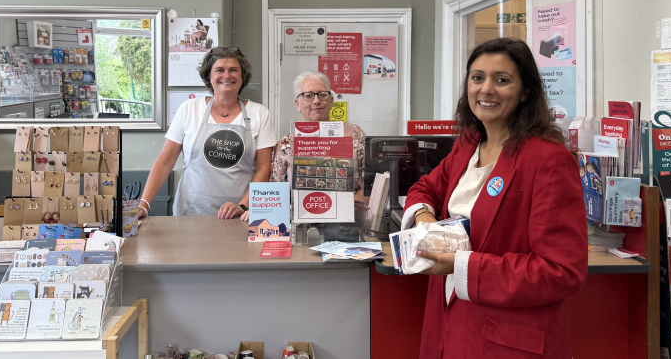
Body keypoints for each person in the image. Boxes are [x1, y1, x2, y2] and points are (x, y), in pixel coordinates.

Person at [402, 38, 587, 359]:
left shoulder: (548, 159)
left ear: (525, 91)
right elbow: (425, 189)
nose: (486, 89)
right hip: (448, 325)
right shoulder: (468, 144)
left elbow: (562, 272)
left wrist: (462, 265)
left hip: (506, 342)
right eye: (477, 78)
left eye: (502, 80)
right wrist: (425, 218)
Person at [139, 47, 277, 219]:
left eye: (234, 70)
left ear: (243, 76)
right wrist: (143, 204)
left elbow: (264, 168)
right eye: (219, 70)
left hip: (239, 215)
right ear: (209, 76)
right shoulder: (189, 109)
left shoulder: (259, 113)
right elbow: (165, 162)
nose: (227, 75)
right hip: (191, 213)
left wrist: (243, 206)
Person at [241, 71, 366, 222]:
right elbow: (276, 192)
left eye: (322, 95)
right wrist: (260, 210)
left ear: (331, 101)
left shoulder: (354, 134)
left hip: (347, 221)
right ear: (298, 104)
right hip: (300, 224)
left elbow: (370, 187)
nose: (316, 101)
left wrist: (339, 208)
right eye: (308, 96)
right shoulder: (286, 144)